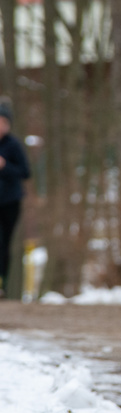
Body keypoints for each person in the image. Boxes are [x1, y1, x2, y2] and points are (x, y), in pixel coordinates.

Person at [0, 99, 31, 299]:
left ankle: (2, 281)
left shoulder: (13, 145)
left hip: (10, 202)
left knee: (4, 243)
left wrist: (5, 167)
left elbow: (26, 172)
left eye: (3, 122)